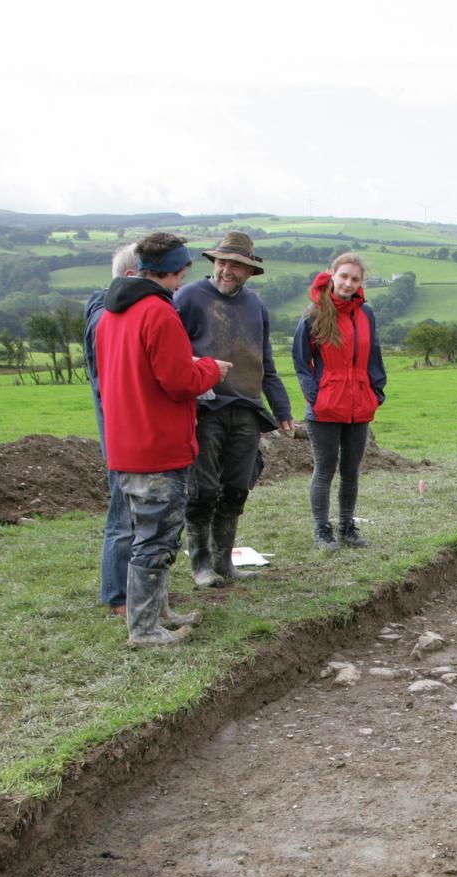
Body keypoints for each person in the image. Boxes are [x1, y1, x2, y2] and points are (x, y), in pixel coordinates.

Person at [96, 232, 230, 646]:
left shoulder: (110, 315)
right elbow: (177, 381)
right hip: (158, 445)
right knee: (156, 539)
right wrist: (210, 369)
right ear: (180, 269)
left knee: (144, 533)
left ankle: (158, 610)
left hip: (125, 442)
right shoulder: (158, 313)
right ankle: (145, 628)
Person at [172, 231, 294, 587]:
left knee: (237, 487)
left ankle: (224, 562)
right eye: (223, 262)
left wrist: (281, 407)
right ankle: (201, 566)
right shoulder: (190, 297)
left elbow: (264, 360)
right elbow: (172, 354)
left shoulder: (256, 306)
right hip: (205, 406)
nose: (227, 270)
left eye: (236, 265)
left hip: (246, 408)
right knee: (203, 489)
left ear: (249, 271)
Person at [291, 252, 386, 551]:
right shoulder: (314, 312)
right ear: (332, 275)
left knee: (351, 470)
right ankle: (323, 530)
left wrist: (376, 392)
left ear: (361, 283)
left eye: (354, 279)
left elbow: (374, 356)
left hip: (360, 405)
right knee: (325, 469)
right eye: (343, 276)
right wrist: (316, 398)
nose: (348, 283)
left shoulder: (366, 314)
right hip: (325, 408)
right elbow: (301, 362)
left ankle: (347, 527)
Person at [84, 242, 139, 616]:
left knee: (135, 513)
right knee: (124, 512)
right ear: (133, 276)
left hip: (127, 428)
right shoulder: (107, 319)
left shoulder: (109, 313)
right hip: (123, 430)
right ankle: (118, 595)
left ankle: (132, 589)